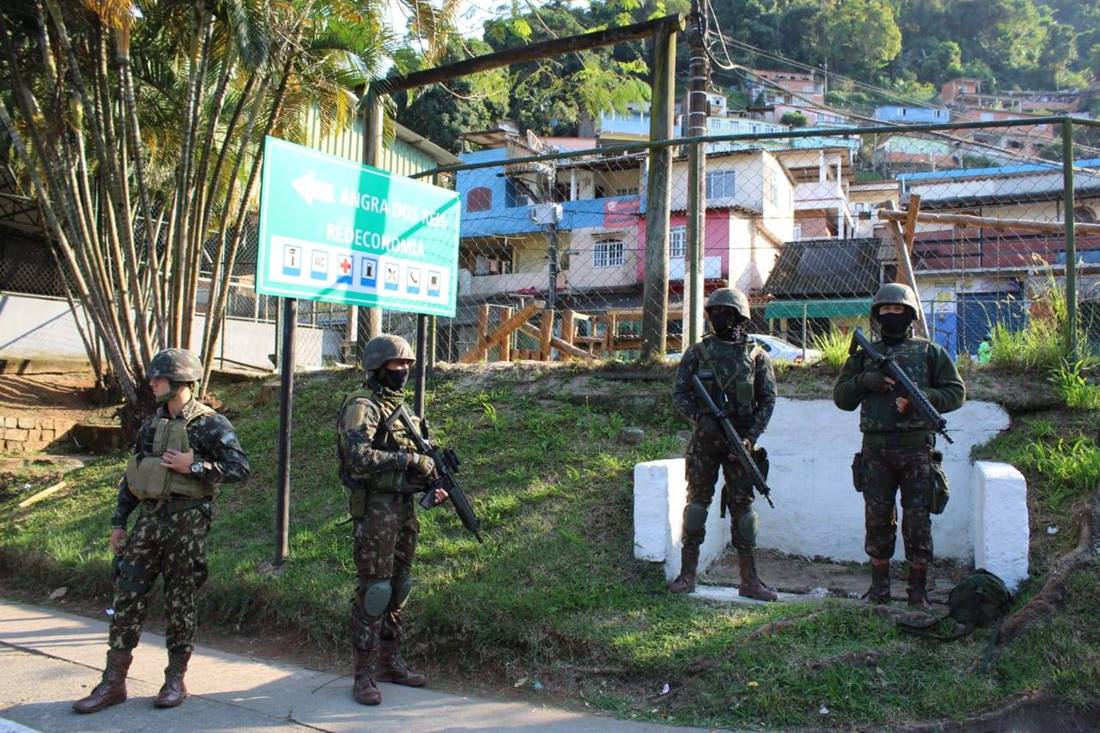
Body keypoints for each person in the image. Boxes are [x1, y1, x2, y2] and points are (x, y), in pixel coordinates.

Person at [73, 348, 250, 713]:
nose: (152, 383)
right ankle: (113, 683)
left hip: (187, 524)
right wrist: (119, 523)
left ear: (181, 381)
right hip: (149, 521)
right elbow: (133, 476)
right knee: (127, 596)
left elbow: (239, 469)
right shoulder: (151, 425)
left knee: (180, 602)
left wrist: (194, 466)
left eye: (159, 378)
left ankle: (174, 680)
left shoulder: (211, 424)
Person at [833, 284, 965, 609]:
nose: (891, 315)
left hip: (916, 450)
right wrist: (865, 381)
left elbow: (955, 393)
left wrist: (920, 398)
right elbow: (841, 398)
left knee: (918, 521)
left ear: (910, 315)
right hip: (875, 450)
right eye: (885, 310)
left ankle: (917, 593)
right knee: (877, 520)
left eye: (898, 310)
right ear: (877, 316)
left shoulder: (930, 352)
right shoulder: (864, 356)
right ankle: (879, 591)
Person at [336, 334, 446, 705]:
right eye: (397, 364)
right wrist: (409, 460)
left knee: (399, 587)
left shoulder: (403, 409)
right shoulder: (362, 406)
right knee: (375, 591)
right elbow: (359, 457)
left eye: (407, 365)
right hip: (376, 509)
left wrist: (432, 481)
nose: (403, 370)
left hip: (403, 508)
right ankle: (364, 673)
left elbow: (421, 458)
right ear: (378, 366)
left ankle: (390, 661)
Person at [668, 287, 778, 601]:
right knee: (696, 507)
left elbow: (767, 401)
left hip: (739, 445)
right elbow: (680, 394)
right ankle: (688, 575)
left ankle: (749, 580)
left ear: (739, 317)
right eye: (714, 312)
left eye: (725, 312)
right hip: (705, 443)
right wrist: (700, 418)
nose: (718, 317)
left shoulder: (756, 356)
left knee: (744, 512)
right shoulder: (697, 353)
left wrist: (749, 438)